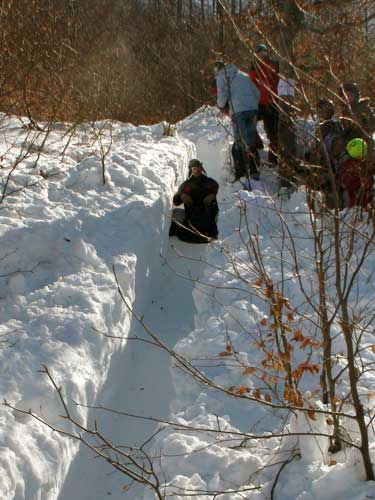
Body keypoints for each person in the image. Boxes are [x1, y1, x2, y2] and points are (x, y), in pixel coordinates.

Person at [214, 60, 260, 181]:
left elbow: (222, 97)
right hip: (252, 108)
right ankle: (254, 170)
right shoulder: (243, 75)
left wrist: (222, 106)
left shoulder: (222, 77)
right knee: (250, 138)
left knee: (240, 139)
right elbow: (257, 92)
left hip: (238, 110)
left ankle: (241, 172)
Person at [169, 159, 219, 243]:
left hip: (207, 216)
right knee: (175, 213)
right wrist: (182, 196)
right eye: (194, 168)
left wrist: (212, 195)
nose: (197, 170)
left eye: (199, 168)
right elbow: (176, 201)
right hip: (192, 217)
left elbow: (216, 185)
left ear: (202, 168)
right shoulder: (186, 185)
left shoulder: (209, 182)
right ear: (191, 170)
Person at [249, 44, 280, 165]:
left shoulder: (272, 65)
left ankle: (273, 158)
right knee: (250, 126)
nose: (261, 56)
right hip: (259, 103)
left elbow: (273, 79)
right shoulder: (255, 67)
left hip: (272, 103)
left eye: (263, 53)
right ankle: (257, 147)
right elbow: (252, 83)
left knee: (272, 133)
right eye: (258, 54)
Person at [338, 83, 375, 159]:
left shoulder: (363, 108)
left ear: (356, 95)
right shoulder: (345, 111)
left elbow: (371, 126)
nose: (347, 98)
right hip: (351, 145)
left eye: (349, 95)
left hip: (363, 144)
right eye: (345, 96)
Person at [336, 138, 373, 209]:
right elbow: (347, 183)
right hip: (352, 201)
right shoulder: (353, 165)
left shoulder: (345, 163)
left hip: (357, 200)